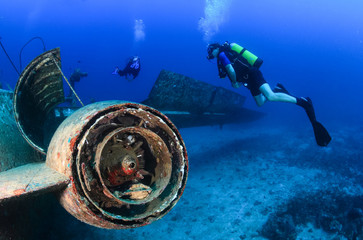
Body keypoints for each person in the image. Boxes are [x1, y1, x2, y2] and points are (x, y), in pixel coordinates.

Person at [206, 41, 331, 146]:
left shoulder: (222, 55)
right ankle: (277, 90)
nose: (210, 55)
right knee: (260, 102)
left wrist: (234, 82)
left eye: (210, 52)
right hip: (248, 79)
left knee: (270, 97)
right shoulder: (224, 55)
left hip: (252, 74)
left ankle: (302, 101)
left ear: (215, 49)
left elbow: (230, 69)